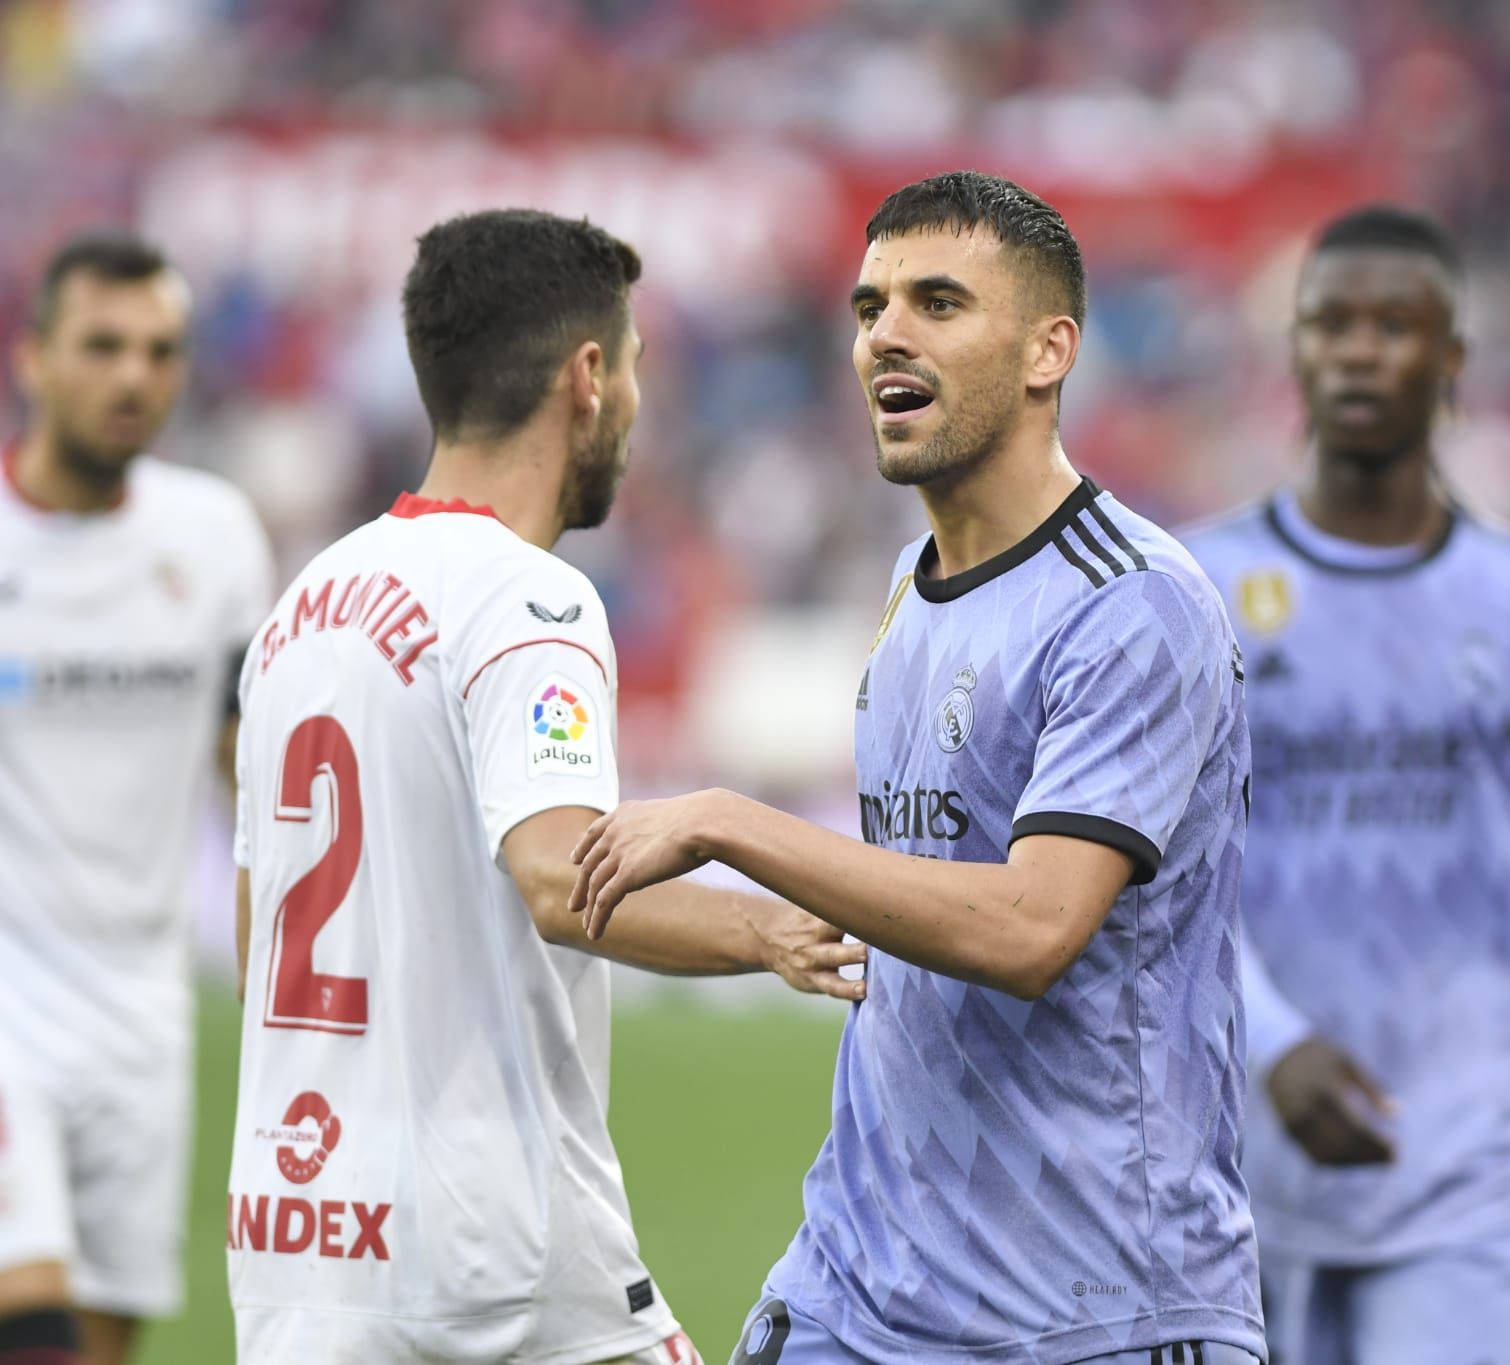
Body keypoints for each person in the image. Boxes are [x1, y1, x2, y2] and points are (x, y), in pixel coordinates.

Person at [570, 171, 1264, 1365]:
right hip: (858, 1288)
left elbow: (1030, 928)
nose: (884, 334)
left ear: (1049, 351)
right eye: (868, 306)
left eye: (937, 303)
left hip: (1091, 1309)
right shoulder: (909, 584)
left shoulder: (1132, 605)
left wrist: (733, 822)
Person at [226, 208, 863, 1365]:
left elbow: (250, 932)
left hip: (298, 1248)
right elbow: (562, 878)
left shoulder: (298, 610)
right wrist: (770, 931)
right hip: (496, 1258)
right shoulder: (529, 599)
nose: (637, 404)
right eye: (634, 367)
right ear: (586, 376)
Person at [1180, 205, 1510, 1365]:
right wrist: (1269, 1043)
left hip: (1464, 1170)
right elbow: (1160, 882)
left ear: (1451, 360)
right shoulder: (1193, 588)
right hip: (1228, 1167)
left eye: (1392, 326)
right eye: (1329, 323)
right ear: (1293, 349)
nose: (1357, 350)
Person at [0, 233, 273, 1365]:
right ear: (33, 359)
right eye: (102, 345)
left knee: (99, 1344)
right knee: (32, 1322)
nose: (133, 377)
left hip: (141, 1014)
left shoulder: (213, 538)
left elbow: (253, 782)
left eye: (160, 352)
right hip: (7, 995)